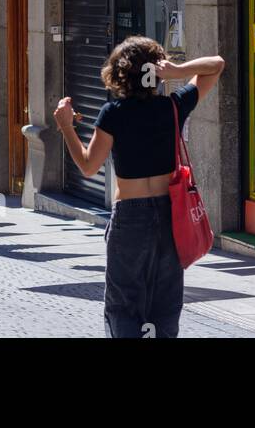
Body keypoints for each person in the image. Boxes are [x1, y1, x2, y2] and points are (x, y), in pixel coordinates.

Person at [54, 36, 225, 339]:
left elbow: (88, 166)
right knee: (164, 301)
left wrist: (66, 126)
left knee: (124, 302)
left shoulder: (114, 112)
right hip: (169, 213)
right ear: (154, 71)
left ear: (120, 73)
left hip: (130, 216)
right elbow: (216, 65)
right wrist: (177, 71)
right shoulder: (174, 106)